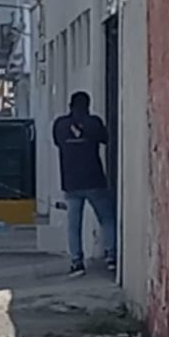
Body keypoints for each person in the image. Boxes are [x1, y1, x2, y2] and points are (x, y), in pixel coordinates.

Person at [53, 91, 116, 277]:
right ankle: (111, 256)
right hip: (94, 179)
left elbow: (58, 143)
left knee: (74, 225)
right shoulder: (93, 123)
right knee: (107, 219)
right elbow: (106, 138)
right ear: (88, 106)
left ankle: (77, 262)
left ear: (70, 105)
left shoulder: (60, 125)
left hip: (71, 182)